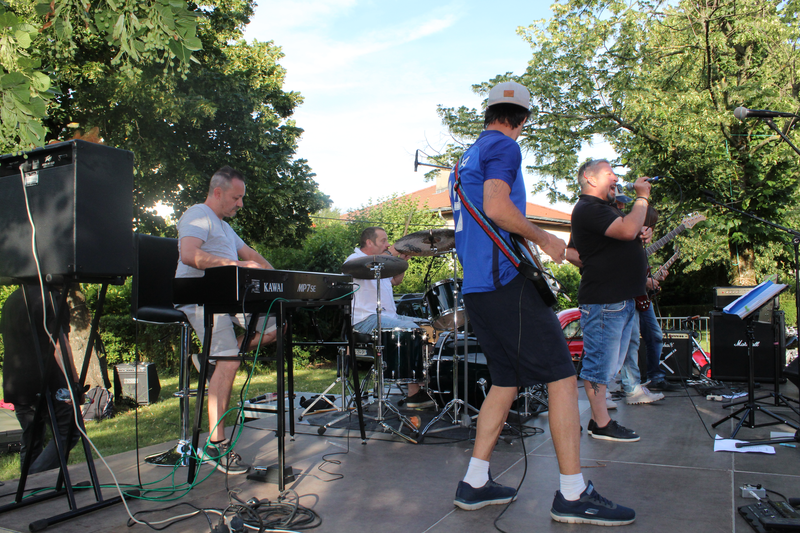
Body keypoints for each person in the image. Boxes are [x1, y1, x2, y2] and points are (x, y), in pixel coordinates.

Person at [448, 81, 634, 526]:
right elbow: (497, 207)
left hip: (478, 287)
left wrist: (539, 247)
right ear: (524, 119)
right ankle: (572, 493)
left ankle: (474, 482)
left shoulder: (465, 158)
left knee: (505, 381)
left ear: (489, 112)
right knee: (562, 377)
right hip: (505, 285)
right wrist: (547, 238)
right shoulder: (504, 147)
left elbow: (488, 220)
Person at [175, 166, 278, 475]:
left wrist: (279, 278)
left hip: (230, 297)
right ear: (218, 192)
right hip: (201, 297)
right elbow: (189, 255)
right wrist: (235, 264)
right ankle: (215, 444)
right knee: (230, 362)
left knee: (275, 328)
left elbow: (252, 254)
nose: (240, 204)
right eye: (236, 197)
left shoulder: (225, 227)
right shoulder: (197, 214)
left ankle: (212, 360)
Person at [571, 159, 655, 442]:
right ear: (590, 178)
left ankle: (600, 420)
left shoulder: (605, 209)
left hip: (621, 299)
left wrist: (641, 232)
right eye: (609, 173)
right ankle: (601, 423)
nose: (616, 178)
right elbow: (626, 230)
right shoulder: (589, 208)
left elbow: (628, 231)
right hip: (605, 301)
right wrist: (642, 198)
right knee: (599, 364)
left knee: (610, 365)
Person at [345, 226, 434, 409]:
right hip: (365, 320)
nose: (387, 244)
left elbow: (395, 281)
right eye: (383, 241)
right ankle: (414, 393)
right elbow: (362, 265)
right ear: (369, 242)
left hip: (388, 316)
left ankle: (426, 381)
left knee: (428, 327)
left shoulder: (381, 264)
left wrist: (401, 262)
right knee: (411, 329)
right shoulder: (354, 260)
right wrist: (392, 253)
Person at [1, 286, 80, 474]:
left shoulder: (12, 299)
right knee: (69, 431)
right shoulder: (51, 298)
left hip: (16, 381)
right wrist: (74, 383)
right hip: (46, 380)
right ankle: (34, 478)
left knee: (32, 439)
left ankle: (27, 487)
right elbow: (60, 344)